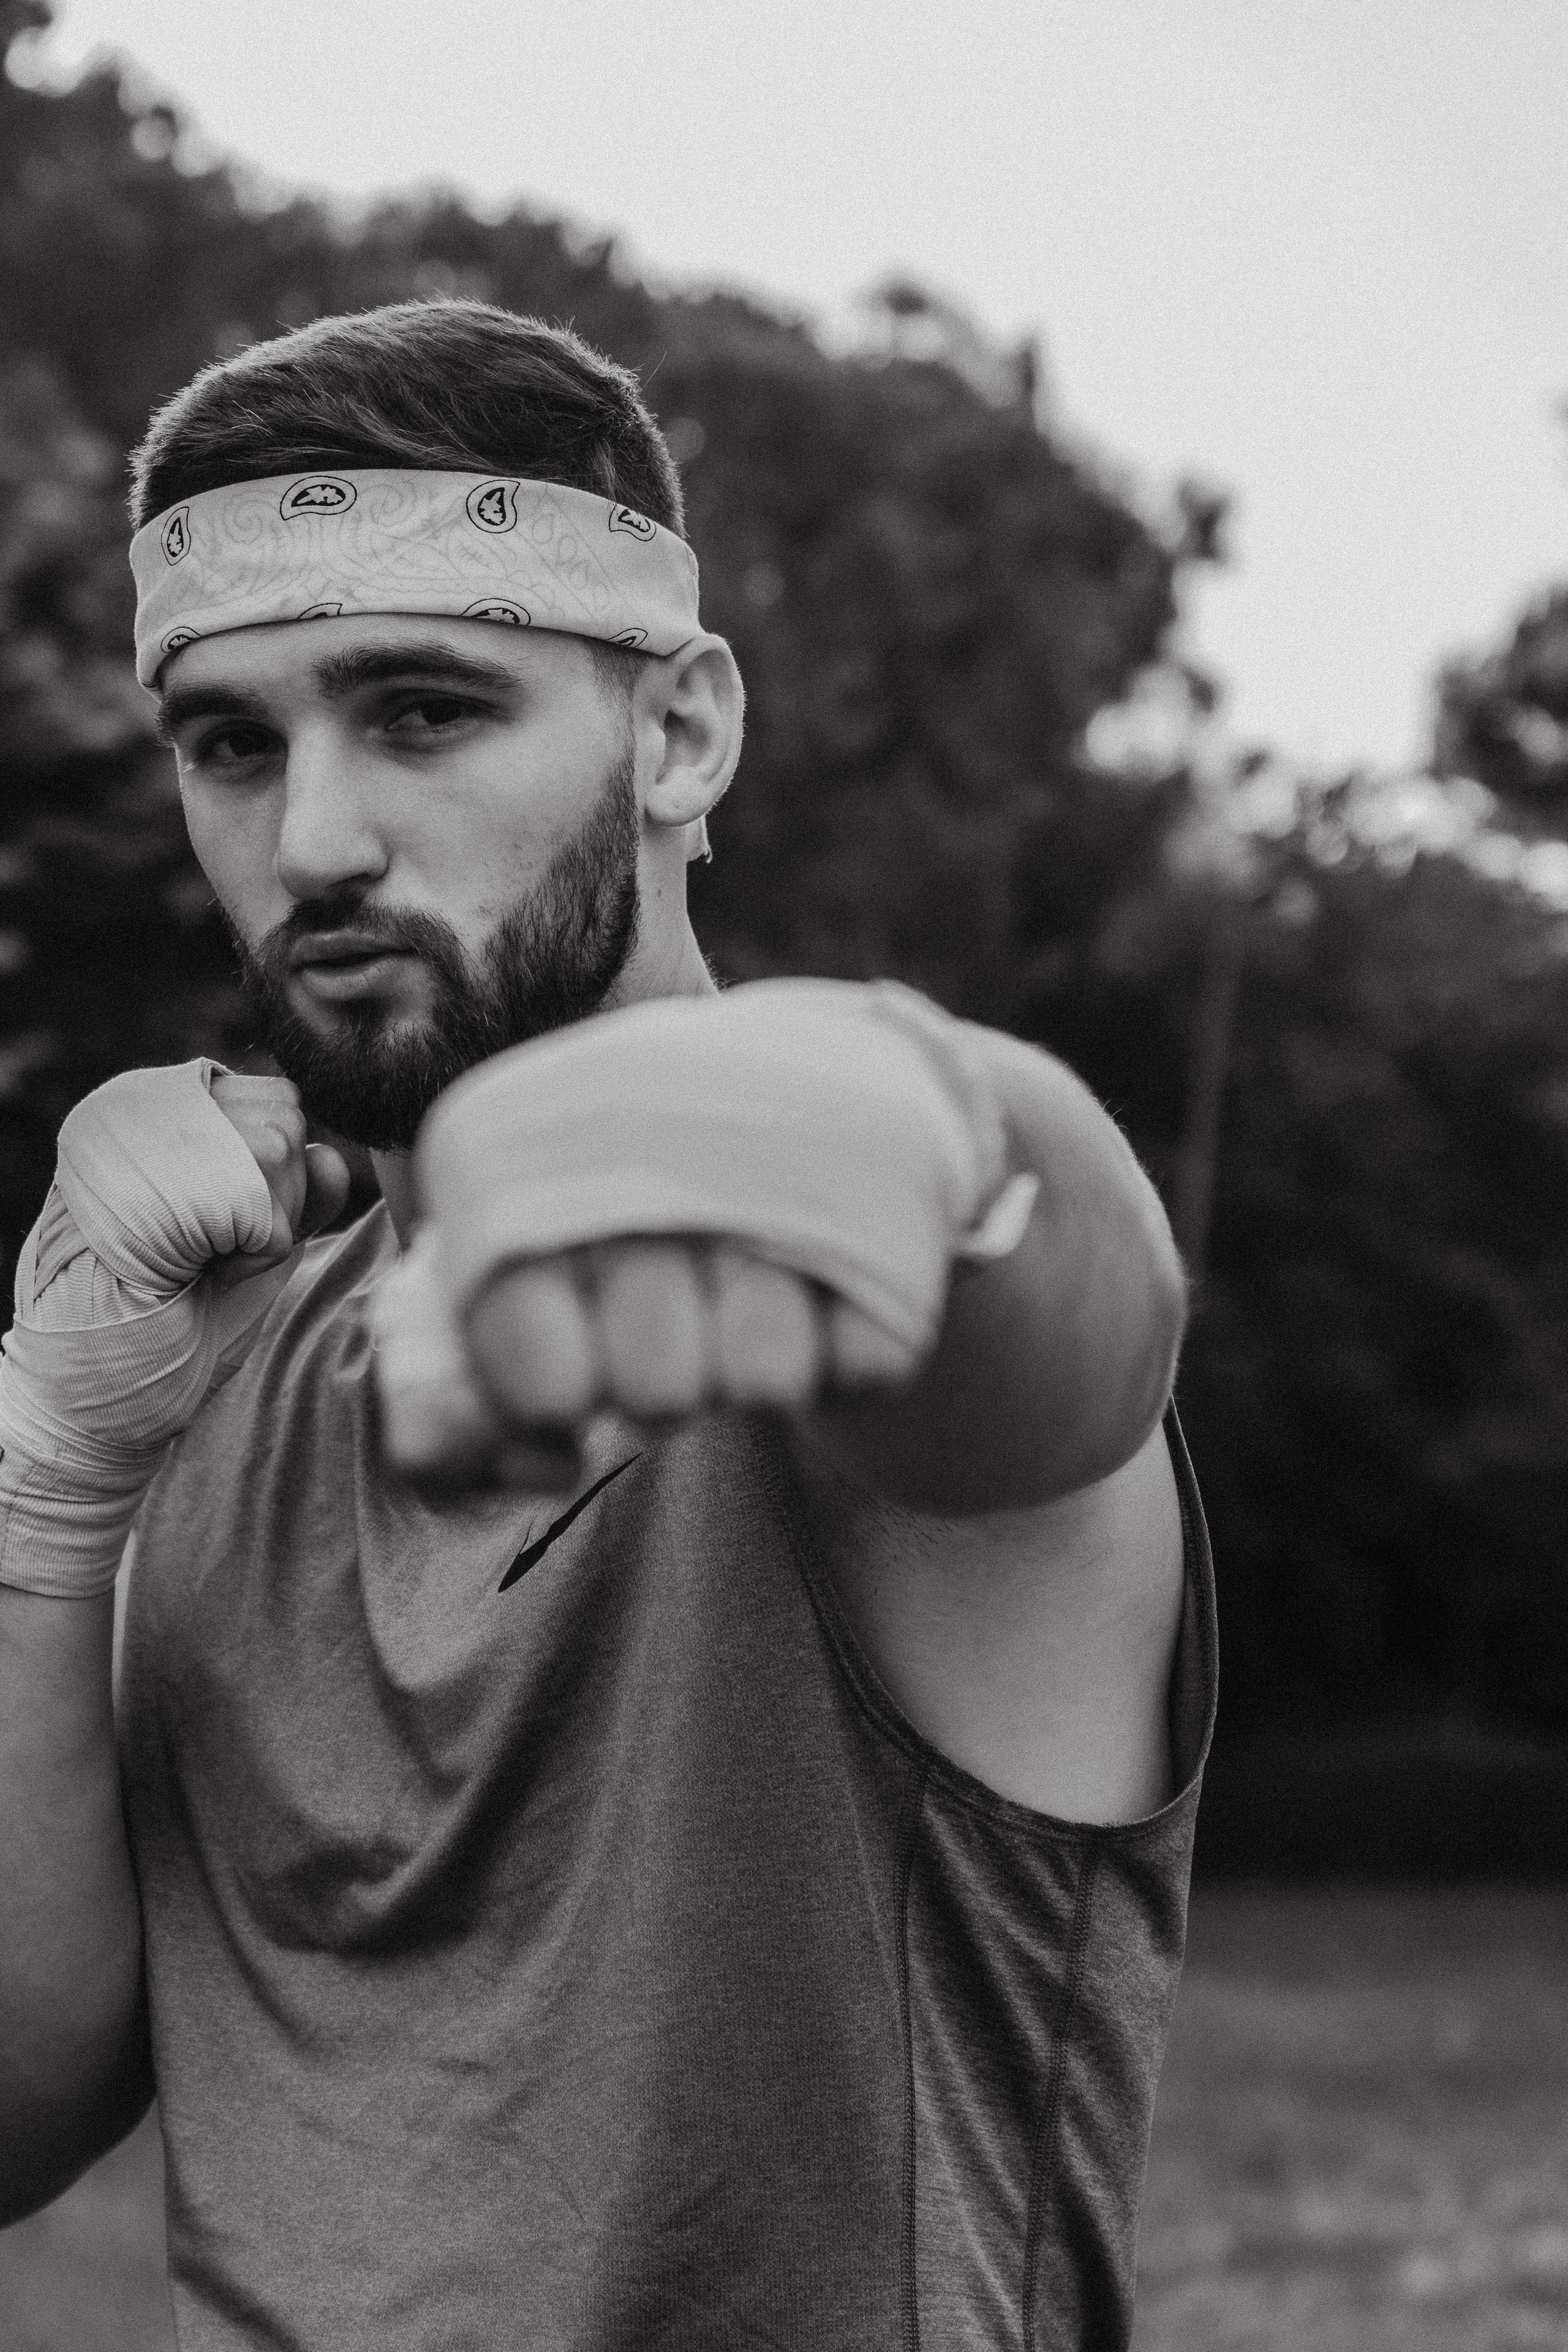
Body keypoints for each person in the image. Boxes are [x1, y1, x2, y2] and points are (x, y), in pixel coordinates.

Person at [0, 300, 1215, 2351]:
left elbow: (1064, 1368)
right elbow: (19, 2121)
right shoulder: (211, 1371)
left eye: (422, 711)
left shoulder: (835, 1297)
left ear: (679, 734)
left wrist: (946, 1126)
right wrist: (43, 1496)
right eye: (234, 744)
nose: (310, 843)